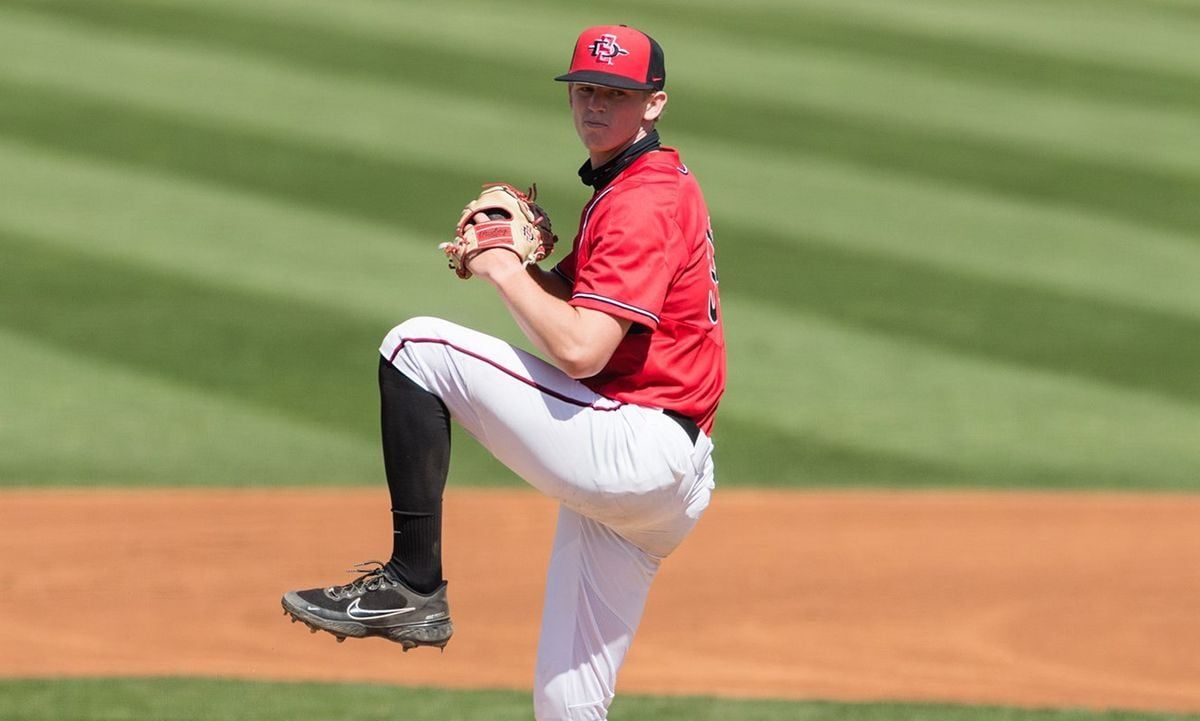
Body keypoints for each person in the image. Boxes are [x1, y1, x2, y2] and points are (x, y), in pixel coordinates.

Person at [281, 24, 725, 721]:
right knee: (566, 703)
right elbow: (568, 315)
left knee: (413, 348)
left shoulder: (643, 201)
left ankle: (412, 583)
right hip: (658, 479)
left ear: (654, 104)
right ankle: (414, 588)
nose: (595, 106)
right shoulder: (642, 186)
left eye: (617, 93)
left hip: (636, 446)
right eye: (584, 91)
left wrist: (501, 265)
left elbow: (582, 351)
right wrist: (527, 271)